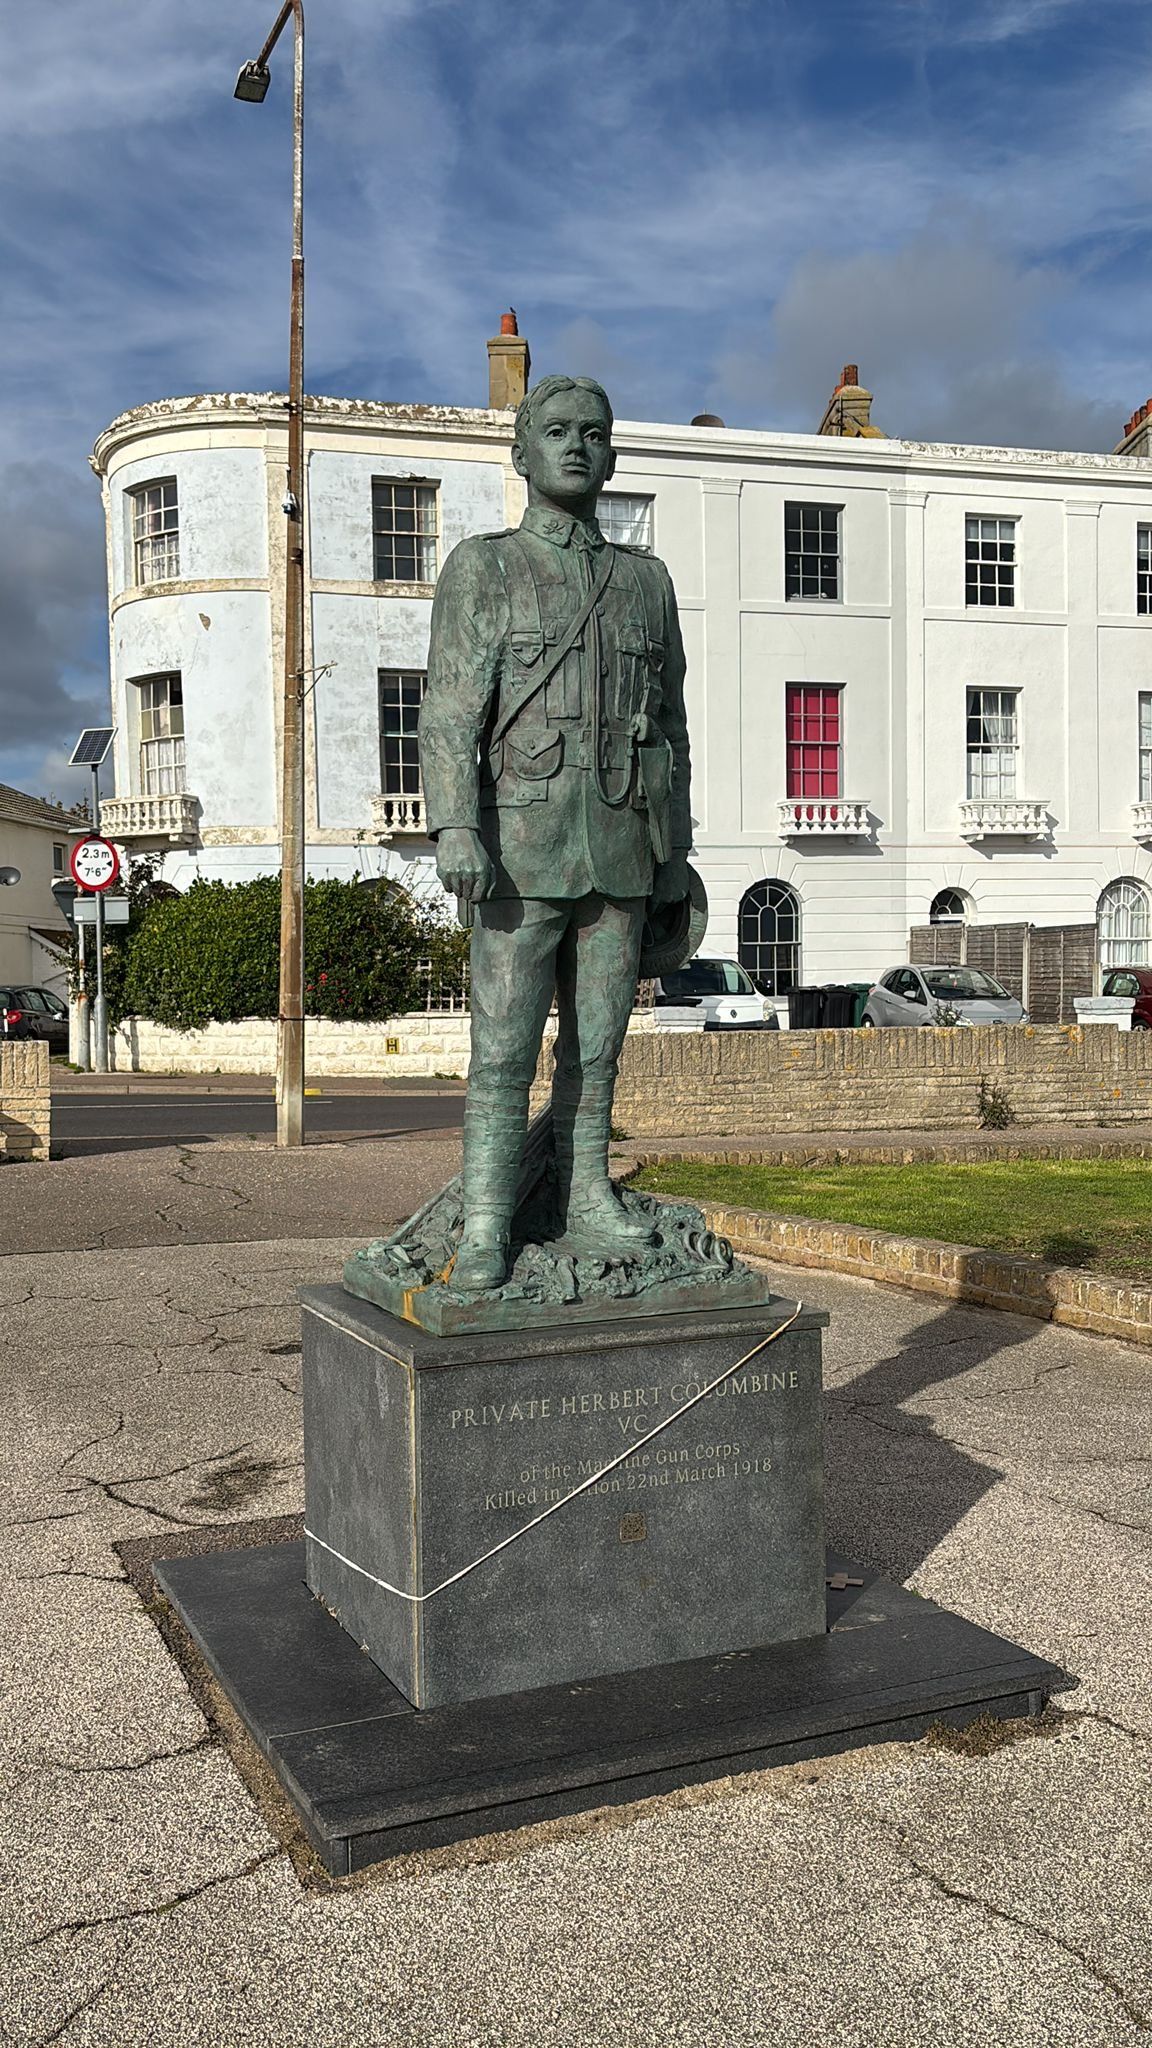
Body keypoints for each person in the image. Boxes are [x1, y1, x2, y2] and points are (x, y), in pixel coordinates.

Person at [419, 374, 693, 1290]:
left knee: (597, 1046)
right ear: (523, 452)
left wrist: (674, 855)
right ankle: (490, 1217)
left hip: (619, 846)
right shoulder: (484, 566)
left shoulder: (645, 584)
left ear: (612, 455)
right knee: (500, 1050)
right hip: (516, 851)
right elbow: (451, 711)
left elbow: (672, 729)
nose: (577, 445)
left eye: (595, 433)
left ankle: (585, 1196)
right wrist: (455, 823)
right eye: (558, 430)